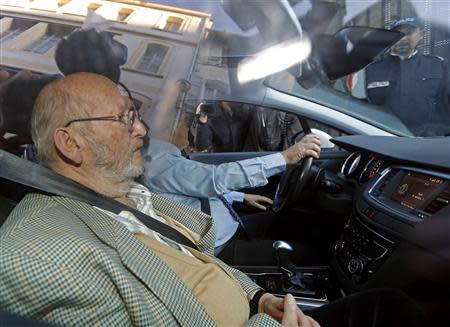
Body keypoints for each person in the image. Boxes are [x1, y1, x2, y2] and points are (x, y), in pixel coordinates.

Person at [0, 73, 426, 327]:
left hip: (257, 310)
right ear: (71, 143)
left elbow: (201, 260)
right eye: (125, 117)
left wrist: (260, 299)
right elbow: (210, 179)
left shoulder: (128, 194)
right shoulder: (38, 255)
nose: (143, 130)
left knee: (388, 306)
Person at [140, 135, 321, 256]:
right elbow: (213, 178)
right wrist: (284, 158)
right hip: (222, 244)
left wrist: (240, 197)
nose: (190, 126)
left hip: (228, 226)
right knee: (305, 253)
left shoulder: (156, 152)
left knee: (287, 221)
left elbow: (189, 188)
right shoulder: (155, 162)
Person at [365, 17, 450, 135]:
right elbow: (359, 110)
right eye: (398, 34)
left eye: (409, 33)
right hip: (385, 142)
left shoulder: (439, 66)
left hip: (430, 144)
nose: (403, 38)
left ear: (421, 34)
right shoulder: (370, 70)